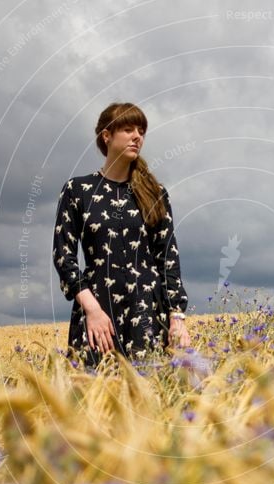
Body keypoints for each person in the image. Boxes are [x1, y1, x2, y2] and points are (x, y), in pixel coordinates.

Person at [52, 102, 190, 368]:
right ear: (107, 136)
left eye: (141, 131)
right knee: (91, 396)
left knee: (150, 398)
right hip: (97, 316)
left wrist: (177, 318)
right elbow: (63, 257)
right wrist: (91, 310)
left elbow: (168, 261)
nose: (137, 136)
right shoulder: (78, 190)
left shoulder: (155, 193)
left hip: (148, 315)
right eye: (128, 129)